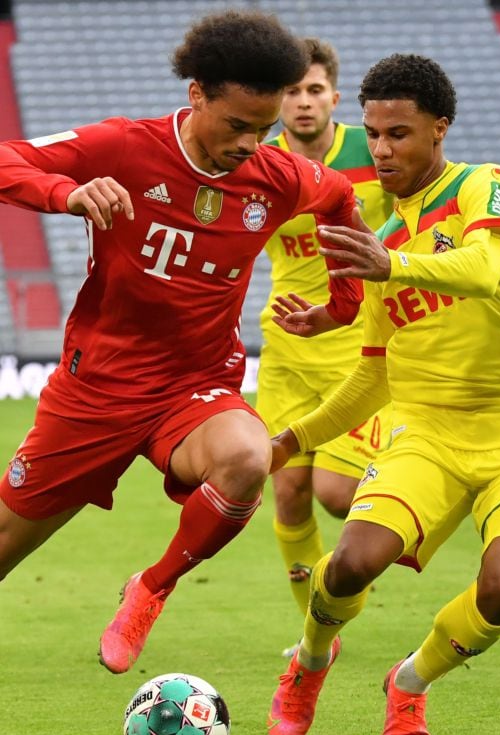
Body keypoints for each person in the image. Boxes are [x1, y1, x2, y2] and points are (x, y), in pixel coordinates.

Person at [0, 10, 366, 674]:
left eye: (266, 128)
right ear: (196, 93)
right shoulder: (121, 147)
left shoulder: (276, 177)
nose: (252, 143)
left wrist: (343, 306)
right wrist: (66, 191)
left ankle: (152, 588)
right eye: (237, 125)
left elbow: (340, 198)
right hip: (97, 389)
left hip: (193, 389)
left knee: (249, 457)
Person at [264, 53, 500, 735]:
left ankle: (409, 684)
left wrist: (394, 265)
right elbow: (372, 381)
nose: (383, 150)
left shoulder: (488, 186)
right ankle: (311, 663)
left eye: (401, 134)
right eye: (376, 135)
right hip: (426, 432)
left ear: (439, 129)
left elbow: (481, 270)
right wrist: (287, 442)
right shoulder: (379, 245)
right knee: (353, 561)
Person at [257, 37, 395, 653]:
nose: (302, 102)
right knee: (286, 490)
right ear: (276, 100)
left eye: (314, 90)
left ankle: (390, 533)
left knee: (339, 496)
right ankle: (319, 631)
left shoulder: (376, 149)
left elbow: (426, 212)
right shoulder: (256, 162)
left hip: (355, 342)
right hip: (287, 345)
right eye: (291, 91)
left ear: (335, 97)